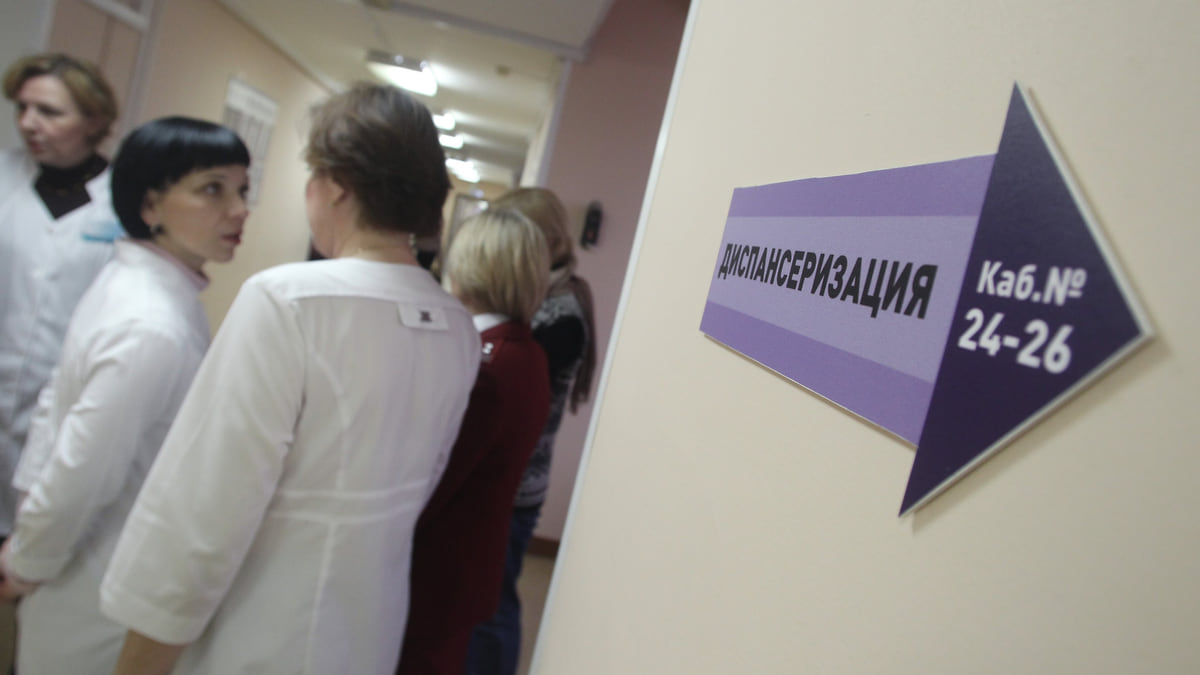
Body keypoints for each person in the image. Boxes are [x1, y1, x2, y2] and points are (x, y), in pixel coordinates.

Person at [100, 82, 480, 675]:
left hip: (262, 637)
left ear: (337, 184)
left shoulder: (289, 302)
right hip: (368, 632)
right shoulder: (456, 326)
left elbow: (202, 510)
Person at [0, 116, 251, 673]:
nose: (239, 210)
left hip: (86, 572)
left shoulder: (142, 289)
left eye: (242, 189)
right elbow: (79, 468)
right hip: (89, 588)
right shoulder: (151, 325)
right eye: (213, 189)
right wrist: (25, 561)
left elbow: (56, 420)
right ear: (150, 204)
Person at [398, 207, 551, 674]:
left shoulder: (490, 366)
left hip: (438, 571)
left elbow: (440, 478)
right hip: (466, 566)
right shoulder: (525, 351)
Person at [468, 187, 597, 675]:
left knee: (494, 607)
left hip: (516, 484)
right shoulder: (546, 297)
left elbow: (516, 389)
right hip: (510, 478)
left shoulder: (561, 313)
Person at [0, 53, 120, 537]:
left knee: (31, 535)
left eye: (48, 112)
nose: (28, 123)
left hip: (61, 404)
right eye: (22, 108)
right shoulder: (4, 176)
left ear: (93, 120)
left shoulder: (123, 202)